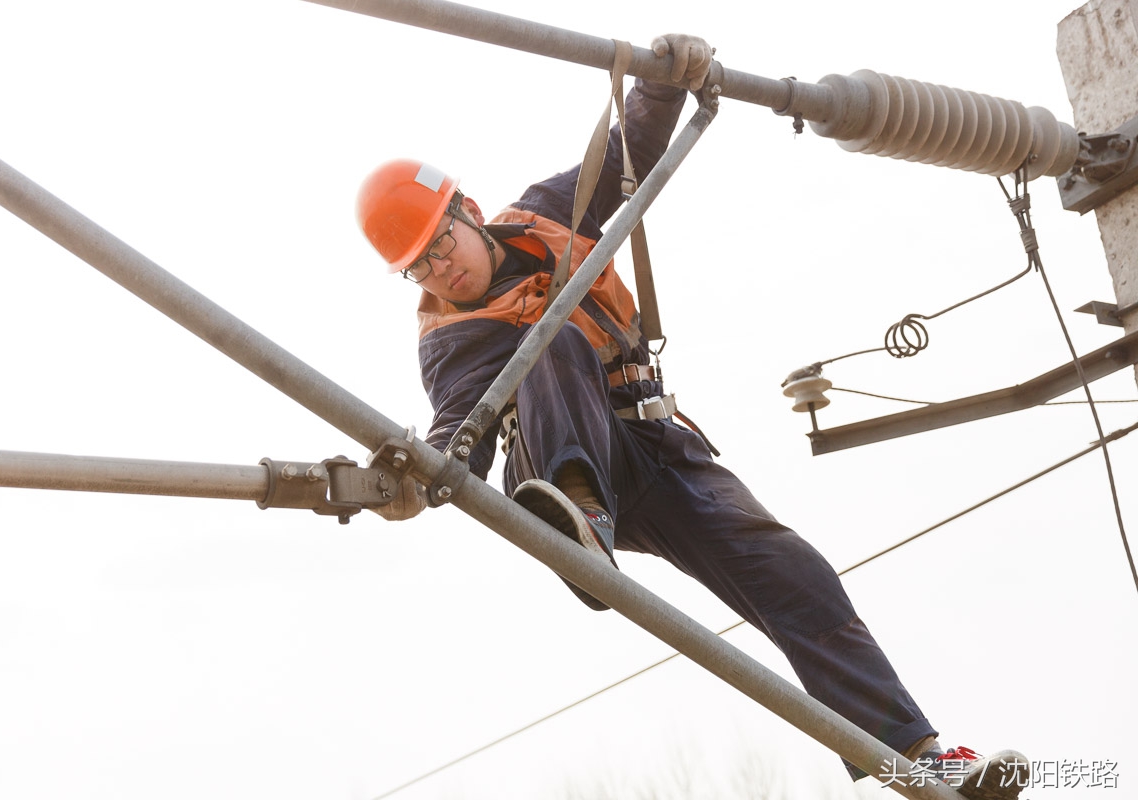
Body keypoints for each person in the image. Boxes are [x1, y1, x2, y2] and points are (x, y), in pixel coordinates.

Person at [354, 33, 1028, 799]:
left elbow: (623, 156)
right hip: (565, 462)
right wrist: (417, 476)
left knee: (795, 576)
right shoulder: (449, 340)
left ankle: (920, 759)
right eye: (422, 265)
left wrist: (665, 82)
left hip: (658, 450)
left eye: (442, 241)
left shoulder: (544, 215)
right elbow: (457, 431)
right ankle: (579, 517)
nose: (443, 267)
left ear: (467, 211)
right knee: (546, 342)